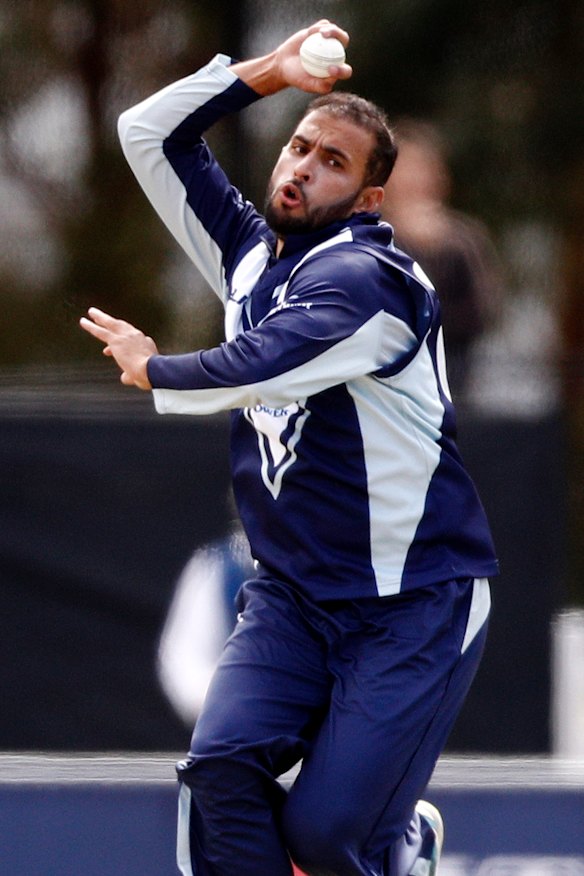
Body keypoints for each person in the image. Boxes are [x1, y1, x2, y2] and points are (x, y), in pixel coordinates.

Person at [80, 19, 498, 876]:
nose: (303, 166)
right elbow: (146, 133)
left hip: (411, 603)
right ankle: (388, 845)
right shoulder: (249, 255)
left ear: (370, 200)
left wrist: (156, 367)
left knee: (325, 836)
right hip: (295, 596)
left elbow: (261, 362)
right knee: (221, 775)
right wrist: (266, 73)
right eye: (300, 147)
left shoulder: (373, 284)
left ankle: (402, 847)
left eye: (333, 162)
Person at [383, 119, 503, 399]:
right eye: (404, 169)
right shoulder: (366, 237)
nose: (413, 180)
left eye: (421, 169)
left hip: (451, 385)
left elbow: (484, 312)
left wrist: (440, 247)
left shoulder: (464, 238)